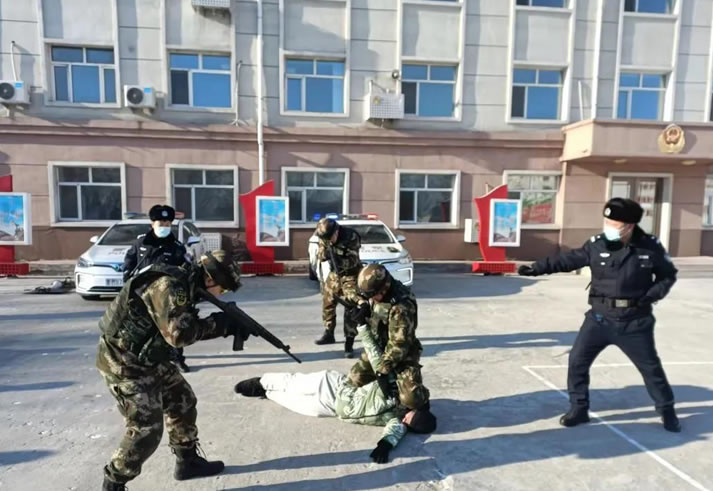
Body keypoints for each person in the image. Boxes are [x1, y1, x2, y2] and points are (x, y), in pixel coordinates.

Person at [518, 198, 680, 432]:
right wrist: (537, 267)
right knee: (577, 362)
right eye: (606, 221)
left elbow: (667, 276)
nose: (608, 227)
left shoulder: (650, 247)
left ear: (629, 226)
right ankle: (579, 409)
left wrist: (650, 296)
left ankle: (667, 411)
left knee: (651, 369)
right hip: (599, 319)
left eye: (614, 223)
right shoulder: (597, 244)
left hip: (634, 321)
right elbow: (569, 259)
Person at [97, 250, 246, 491]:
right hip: (124, 362)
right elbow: (178, 336)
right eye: (224, 288)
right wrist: (220, 325)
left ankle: (187, 462)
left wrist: (225, 325)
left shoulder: (187, 284)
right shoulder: (169, 286)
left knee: (182, 400)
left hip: (150, 357)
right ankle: (113, 484)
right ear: (210, 279)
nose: (221, 294)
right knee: (146, 430)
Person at [234, 322, 436, 463]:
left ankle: (268, 393)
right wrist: (363, 328)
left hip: (330, 408)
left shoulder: (398, 420)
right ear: (415, 407)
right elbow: (375, 356)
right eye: (410, 417)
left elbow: (395, 432)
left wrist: (385, 445)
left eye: (409, 424)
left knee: (294, 403)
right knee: (294, 382)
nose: (405, 420)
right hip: (333, 386)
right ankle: (261, 381)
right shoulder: (396, 388)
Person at [348, 264, 430, 411]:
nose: (371, 299)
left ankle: (421, 396)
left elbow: (399, 344)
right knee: (355, 379)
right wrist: (362, 304)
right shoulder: (374, 288)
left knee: (410, 400)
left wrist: (382, 371)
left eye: (373, 296)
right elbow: (351, 289)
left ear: (383, 289)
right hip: (378, 347)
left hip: (402, 355)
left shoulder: (401, 306)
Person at [122, 204, 191, 373]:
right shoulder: (141, 244)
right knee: (142, 328)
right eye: (161, 223)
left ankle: (177, 358)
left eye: (167, 224)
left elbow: (185, 269)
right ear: (152, 224)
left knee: (173, 327)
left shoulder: (176, 246)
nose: (164, 227)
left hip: (168, 296)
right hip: (143, 294)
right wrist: (127, 282)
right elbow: (129, 263)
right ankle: (139, 359)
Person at [313, 217, 367, 358]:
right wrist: (325, 253)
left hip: (351, 275)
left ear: (336, 231)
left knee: (350, 307)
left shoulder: (351, 236)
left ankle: (349, 342)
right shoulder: (324, 236)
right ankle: (329, 333)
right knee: (328, 303)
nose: (328, 240)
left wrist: (335, 252)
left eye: (330, 238)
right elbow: (321, 255)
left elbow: (352, 260)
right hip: (334, 274)